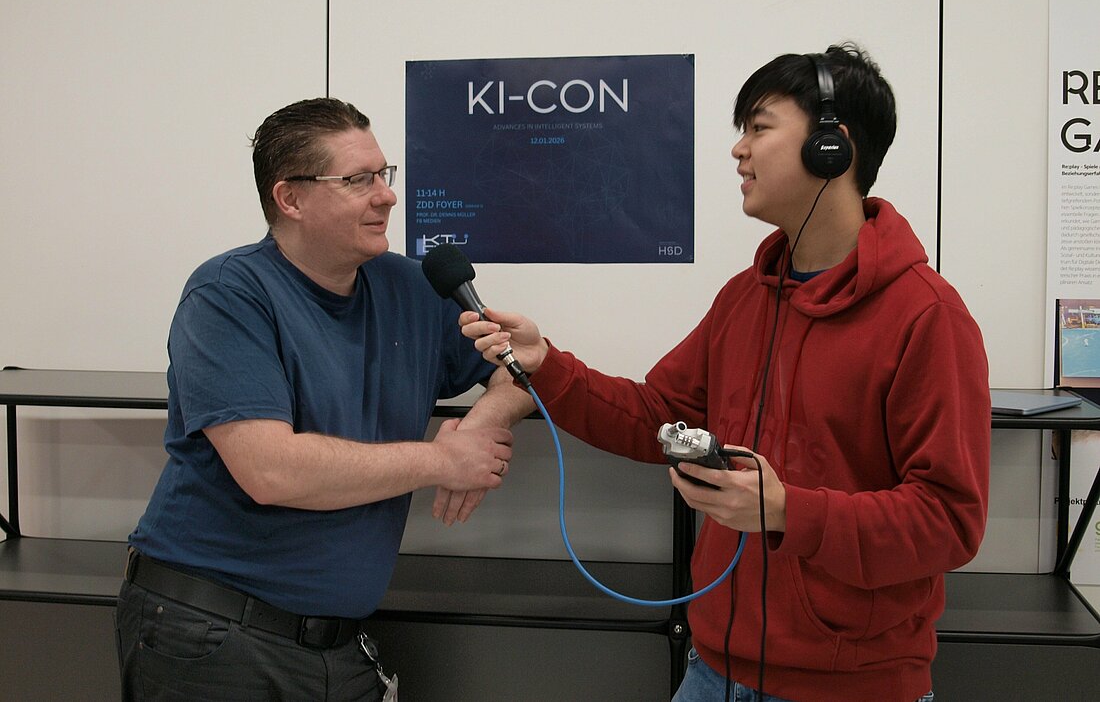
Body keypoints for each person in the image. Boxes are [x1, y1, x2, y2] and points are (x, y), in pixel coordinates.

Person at [460, 44, 990, 702]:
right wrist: (549, 368)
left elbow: (949, 522)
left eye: (759, 128)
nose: (739, 150)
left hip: (851, 687)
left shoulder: (926, 317)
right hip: (712, 672)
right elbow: (661, 420)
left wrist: (789, 510)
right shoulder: (747, 297)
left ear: (834, 145)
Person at [115, 97, 533, 701]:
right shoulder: (228, 295)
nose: (386, 196)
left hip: (337, 647)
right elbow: (270, 470)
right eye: (357, 180)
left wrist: (479, 427)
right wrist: (443, 461)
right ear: (291, 199)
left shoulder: (412, 286)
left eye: (384, 175)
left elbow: (523, 369)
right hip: (210, 637)